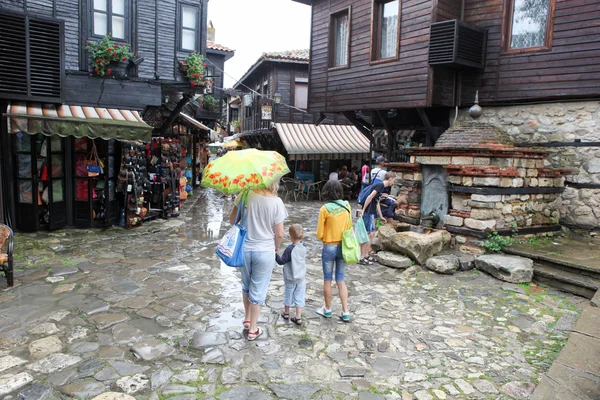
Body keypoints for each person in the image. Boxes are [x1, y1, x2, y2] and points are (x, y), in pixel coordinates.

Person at [229, 180, 287, 340]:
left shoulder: (245, 195)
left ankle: (247, 319)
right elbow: (280, 233)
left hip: (245, 249)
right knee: (258, 289)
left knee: (246, 285)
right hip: (265, 250)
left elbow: (233, 220)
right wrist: (276, 247)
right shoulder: (277, 202)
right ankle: (253, 329)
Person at [316, 180, 351, 322]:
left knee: (327, 279)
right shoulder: (347, 206)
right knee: (341, 279)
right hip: (343, 246)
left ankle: (328, 309)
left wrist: (327, 237)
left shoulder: (325, 209)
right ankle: (345, 311)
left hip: (329, 246)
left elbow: (319, 233)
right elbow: (349, 228)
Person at [358, 171, 395, 265]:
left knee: (372, 233)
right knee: (368, 234)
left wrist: (380, 216)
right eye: (393, 180)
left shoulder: (382, 187)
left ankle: (366, 254)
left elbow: (377, 201)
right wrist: (363, 210)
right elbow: (370, 197)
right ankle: (361, 256)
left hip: (371, 212)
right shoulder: (380, 185)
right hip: (368, 212)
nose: (393, 182)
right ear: (390, 179)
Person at [276, 224, 307, 326]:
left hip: (290, 277)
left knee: (288, 294)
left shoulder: (290, 249)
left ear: (290, 236)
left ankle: (286, 313)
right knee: (299, 295)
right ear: (302, 235)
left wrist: (274, 254)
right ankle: (298, 317)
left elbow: (281, 261)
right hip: (301, 277)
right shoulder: (304, 247)